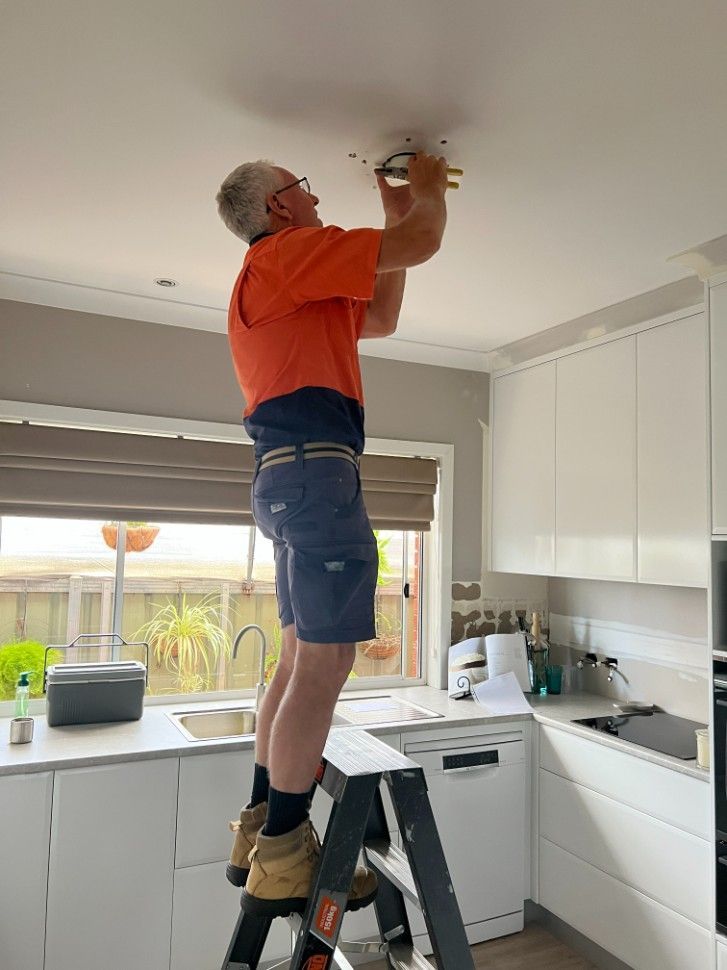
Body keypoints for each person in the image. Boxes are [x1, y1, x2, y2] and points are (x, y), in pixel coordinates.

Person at [215, 152, 449, 917]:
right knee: (324, 665)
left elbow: (379, 316)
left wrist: (393, 216)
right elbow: (422, 243)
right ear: (278, 207)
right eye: (304, 189)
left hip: (286, 479)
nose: (315, 199)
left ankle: (262, 828)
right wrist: (424, 190)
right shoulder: (284, 255)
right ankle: (286, 851)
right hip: (316, 476)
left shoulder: (288, 285)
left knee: (296, 662)